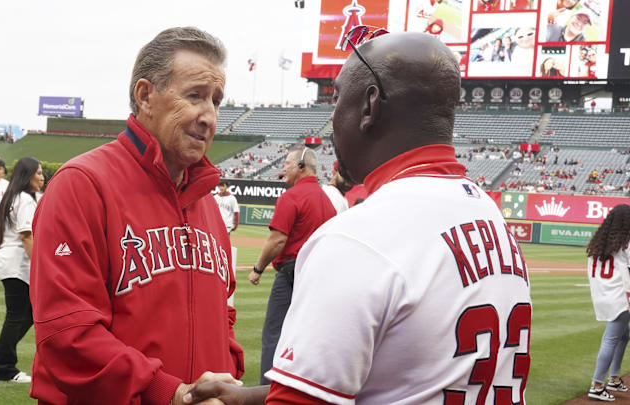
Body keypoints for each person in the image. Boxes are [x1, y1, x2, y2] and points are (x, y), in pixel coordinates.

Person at [185, 31, 532, 405]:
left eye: (336, 98)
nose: (332, 117)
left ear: (369, 107)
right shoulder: (486, 209)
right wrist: (244, 398)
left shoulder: (356, 238)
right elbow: (404, 382)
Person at [29, 27, 244, 405]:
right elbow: (68, 331)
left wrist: (226, 370)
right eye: (194, 96)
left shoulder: (207, 201)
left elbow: (222, 311)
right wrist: (169, 393)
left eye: (215, 100)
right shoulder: (82, 184)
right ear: (146, 96)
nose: (209, 116)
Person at [248, 145, 335, 385]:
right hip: (318, 276)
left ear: (300, 166)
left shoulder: (292, 196)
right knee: (308, 337)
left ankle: (267, 392)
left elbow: (277, 240)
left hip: (291, 273)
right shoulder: (327, 200)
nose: (283, 168)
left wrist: (257, 269)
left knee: (274, 335)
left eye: (286, 163)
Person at [0, 157, 43, 383]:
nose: (42, 177)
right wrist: (40, 267)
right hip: (16, 264)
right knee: (18, 315)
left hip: (8, 261)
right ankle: (5, 368)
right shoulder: (25, 200)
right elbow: (26, 236)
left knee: (28, 313)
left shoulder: (13, 196)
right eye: (38, 173)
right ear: (28, 176)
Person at [586, 204, 630, 401]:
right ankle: (597, 384)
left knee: (623, 334)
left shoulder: (600, 242)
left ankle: (614, 377)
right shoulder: (626, 243)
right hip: (621, 295)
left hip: (603, 294)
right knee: (612, 337)